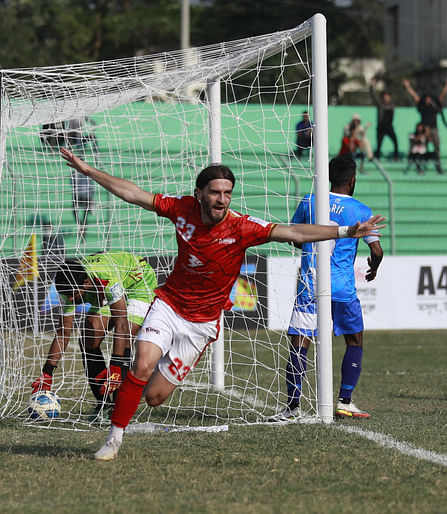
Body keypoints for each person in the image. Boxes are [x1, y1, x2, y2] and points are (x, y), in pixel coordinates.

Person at [58, 147, 384, 460]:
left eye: (227, 193)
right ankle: (114, 438)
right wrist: (88, 170)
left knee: (155, 397)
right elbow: (134, 194)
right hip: (169, 305)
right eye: (216, 192)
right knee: (141, 364)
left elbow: (294, 233)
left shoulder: (242, 227)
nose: (222, 199)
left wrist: (345, 231)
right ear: (199, 193)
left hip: (201, 324)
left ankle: (147, 374)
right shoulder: (181, 209)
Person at [271, 156, 383, 422]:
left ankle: (293, 407)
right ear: (352, 179)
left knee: (300, 344)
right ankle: (344, 401)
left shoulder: (309, 202)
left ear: (330, 177)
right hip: (342, 288)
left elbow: (296, 238)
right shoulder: (360, 210)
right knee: (354, 340)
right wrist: (374, 266)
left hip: (310, 284)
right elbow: (376, 250)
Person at [30, 251, 157, 422]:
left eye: (72, 295)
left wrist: (116, 367)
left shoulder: (106, 277)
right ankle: (103, 405)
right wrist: (47, 373)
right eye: (66, 295)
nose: (69, 299)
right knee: (88, 338)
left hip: (138, 282)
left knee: (125, 337)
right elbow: (63, 332)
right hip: (103, 288)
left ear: (86, 283)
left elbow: (121, 322)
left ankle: (119, 409)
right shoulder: (69, 288)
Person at [403, 77, 447, 174]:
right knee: (422, 148)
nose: (428, 100)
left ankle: (438, 166)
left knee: (437, 147)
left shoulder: (435, 105)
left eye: (430, 98)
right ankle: (419, 166)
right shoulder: (422, 105)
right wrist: (408, 86)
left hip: (434, 129)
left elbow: (443, 95)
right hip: (424, 130)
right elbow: (414, 95)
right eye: (427, 98)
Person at [370, 77, 399, 161]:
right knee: (379, 144)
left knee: (395, 142)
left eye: (388, 96)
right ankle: (377, 158)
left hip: (389, 127)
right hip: (381, 127)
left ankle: (396, 157)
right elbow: (373, 96)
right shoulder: (380, 105)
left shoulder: (392, 105)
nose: (386, 98)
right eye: (385, 97)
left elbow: (399, 95)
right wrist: (372, 86)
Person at [71, 167, 95, 243]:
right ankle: (81, 227)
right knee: (84, 215)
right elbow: (91, 187)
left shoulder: (74, 173)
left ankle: (80, 225)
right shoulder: (87, 171)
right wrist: (92, 199)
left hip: (78, 195)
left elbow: (72, 184)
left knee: (76, 212)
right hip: (85, 196)